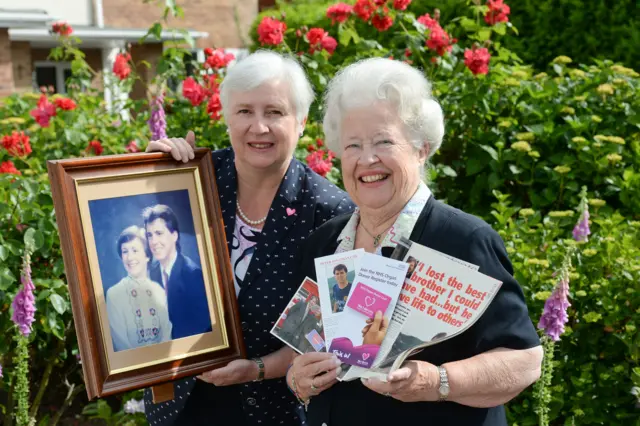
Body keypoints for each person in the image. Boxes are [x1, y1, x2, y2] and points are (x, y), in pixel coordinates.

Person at [286, 58, 543, 426]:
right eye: (353, 145)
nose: (367, 159)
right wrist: (299, 377)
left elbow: (524, 361)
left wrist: (435, 381)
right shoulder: (324, 244)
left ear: (421, 148)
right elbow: (307, 350)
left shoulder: (463, 240)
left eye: (384, 141)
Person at [142, 50, 355, 426]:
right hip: (179, 402)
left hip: (271, 408)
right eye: (245, 112)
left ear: (301, 122)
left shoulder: (329, 211)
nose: (259, 127)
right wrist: (145, 178)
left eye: (274, 112)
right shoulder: (193, 180)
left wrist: (255, 369)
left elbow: (321, 335)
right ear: (226, 117)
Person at [142, 204, 211, 340]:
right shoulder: (153, 273)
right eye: (149, 235)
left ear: (174, 235)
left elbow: (202, 329)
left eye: (159, 233)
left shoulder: (193, 275)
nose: (154, 241)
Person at [105, 225, 172, 352]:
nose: (130, 258)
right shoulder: (113, 294)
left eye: (135, 250)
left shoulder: (159, 291)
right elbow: (121, 345)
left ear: (147, 255)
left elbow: (167, 335)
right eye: (125, 251)